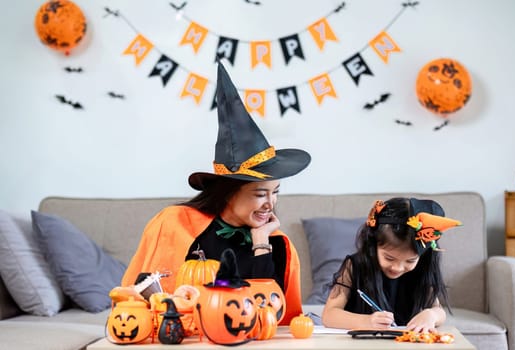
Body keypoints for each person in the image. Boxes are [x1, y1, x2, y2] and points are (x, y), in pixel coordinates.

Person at [121, 62, 311, 325]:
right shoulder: (176, 225)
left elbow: (268, 312)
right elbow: (143, 299)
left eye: (275, 192)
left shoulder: (275, 243)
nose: (271, 203)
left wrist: (260, 242)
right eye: (260, 194)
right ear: (228, 193)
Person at [321, 197, 461, 332]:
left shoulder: (422, 268)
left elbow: (439, 311)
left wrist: (431, 315)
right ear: (373, 244)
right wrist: (366, 321)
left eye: (410, 261)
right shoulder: (355, 266)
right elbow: (329, 315)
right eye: (389, 258)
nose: (397, 268)